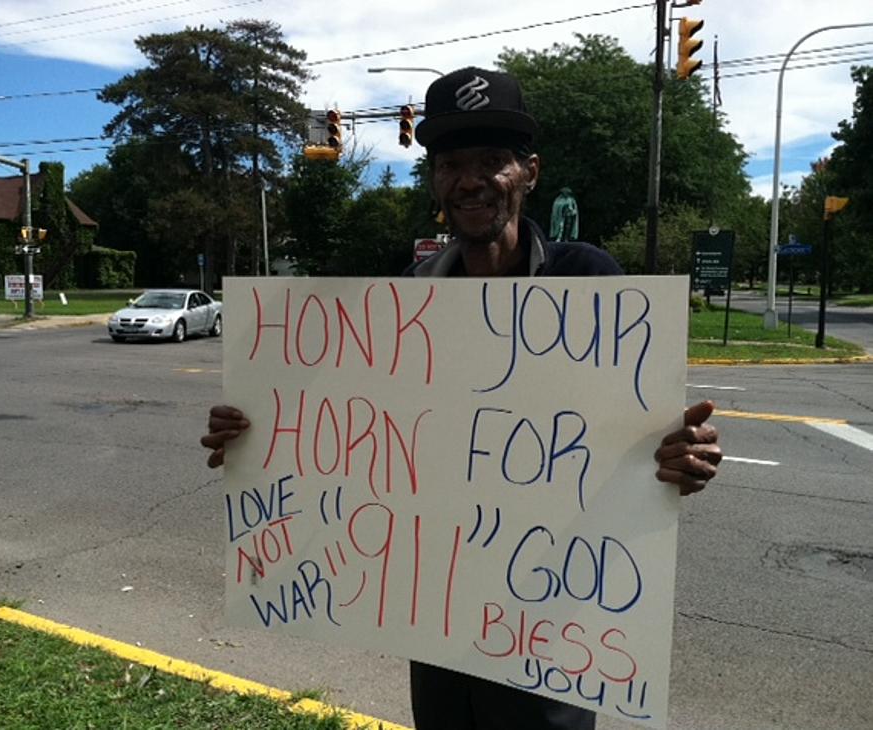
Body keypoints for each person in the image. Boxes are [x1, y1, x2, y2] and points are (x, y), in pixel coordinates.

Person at [201, 66, 723, 730]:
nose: (470, 180)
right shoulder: (409, 300)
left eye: (492, 161)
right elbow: (346, 431)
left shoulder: (589, 282)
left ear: (529, 172)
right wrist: (255, 435)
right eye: (451, 163)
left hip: (550, 630)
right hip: (439, 622)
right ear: (435, 181)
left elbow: (633, 432)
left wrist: (682, 452)